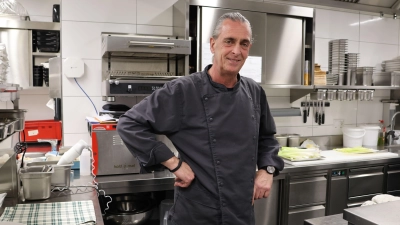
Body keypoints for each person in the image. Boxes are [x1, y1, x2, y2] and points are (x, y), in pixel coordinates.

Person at [117, 12, 284, 225]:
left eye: (244, 44)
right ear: (213, 45)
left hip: (241, 213)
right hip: (197, 214)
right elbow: (129, 124)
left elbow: (267, 138)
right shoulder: (184, 90)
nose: (236, 51)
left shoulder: (254, 91)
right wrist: (174, 164)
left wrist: (267, 169)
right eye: (229, 41)